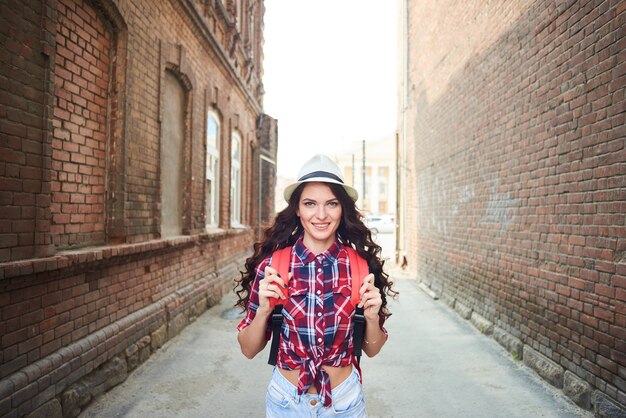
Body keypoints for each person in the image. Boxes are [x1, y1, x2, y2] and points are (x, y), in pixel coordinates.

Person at [235, 154, 396, 417]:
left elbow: (372, 349)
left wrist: (371, 318)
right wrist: (263, 310)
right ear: (297, 209)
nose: (321, 215)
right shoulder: (274, 267)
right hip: (286, 402)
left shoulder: (360, 267)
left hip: (344, 403)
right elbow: (248, 349)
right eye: (310, 204)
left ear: (342, 209)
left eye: (331, 204)